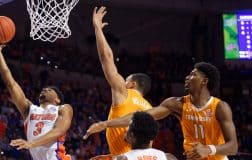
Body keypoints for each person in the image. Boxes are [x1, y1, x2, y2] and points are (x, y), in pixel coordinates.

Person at [84, 62, 238, 160]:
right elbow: (139, 117)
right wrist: (106, 124)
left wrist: (208, 149)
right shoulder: (176, 104)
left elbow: (233, 147)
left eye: (193, 75)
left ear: (204, 81)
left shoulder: (220, 107)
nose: (187, 77)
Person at [0, 31, 73, 160]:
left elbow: (59, 131)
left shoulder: (63, 108)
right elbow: (10, 83)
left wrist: (31, 143)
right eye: (44, 89)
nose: (45, 90)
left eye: (50, 90)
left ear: (57, 99)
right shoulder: (30, 110)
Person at [90, 6, 153, 158]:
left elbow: (107, 59)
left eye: (126, 80)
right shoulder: (151, 110)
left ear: (132, 84)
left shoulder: (126, 93)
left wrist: (97, 28)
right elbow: (146, 146)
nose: (123, 82)